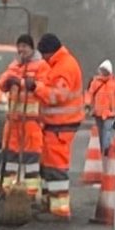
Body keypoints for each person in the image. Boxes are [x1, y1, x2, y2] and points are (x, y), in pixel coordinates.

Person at [31, 32, 86, 219]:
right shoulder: (58, 65)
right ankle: (49, 203)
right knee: (48, 167)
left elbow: (57, 96)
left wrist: (36, 88)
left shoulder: (64, 67)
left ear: (49, 52)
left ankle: (59, 210)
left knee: (56, 168)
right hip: (55, 125)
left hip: (61, 125)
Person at [0, 35, 43, 196]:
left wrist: (29, 84)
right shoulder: (15, 65)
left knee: (31, 156)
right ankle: (7, 190)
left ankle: (30, 192)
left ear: (31, 48)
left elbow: (44, 87)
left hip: (31, 121)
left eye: (24, 46)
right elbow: (2, 82)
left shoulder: (41, 66)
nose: (21, 49)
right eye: (19, 46)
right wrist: (8, 81)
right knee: (10, 155)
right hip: (13, 120)